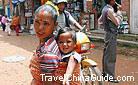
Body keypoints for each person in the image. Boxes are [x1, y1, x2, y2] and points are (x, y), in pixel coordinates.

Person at [29, 1, 61, 85]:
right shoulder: (48, 42)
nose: (40, 28)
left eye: (46, 24)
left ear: (55, 25)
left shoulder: (48, 54)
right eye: (37, 22)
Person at [98, 0, 122, 83]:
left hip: (107, 34)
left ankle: (105, 73)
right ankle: (109, 76)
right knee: (111, 55)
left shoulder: (104, 9)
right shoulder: (110, 10)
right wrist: (118, 11)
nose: (115, 1)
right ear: (110, 1)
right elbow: (117, 22)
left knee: (106, 54)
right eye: (113, 0)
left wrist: (105, 27)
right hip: (111, 34)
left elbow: (99, 21)